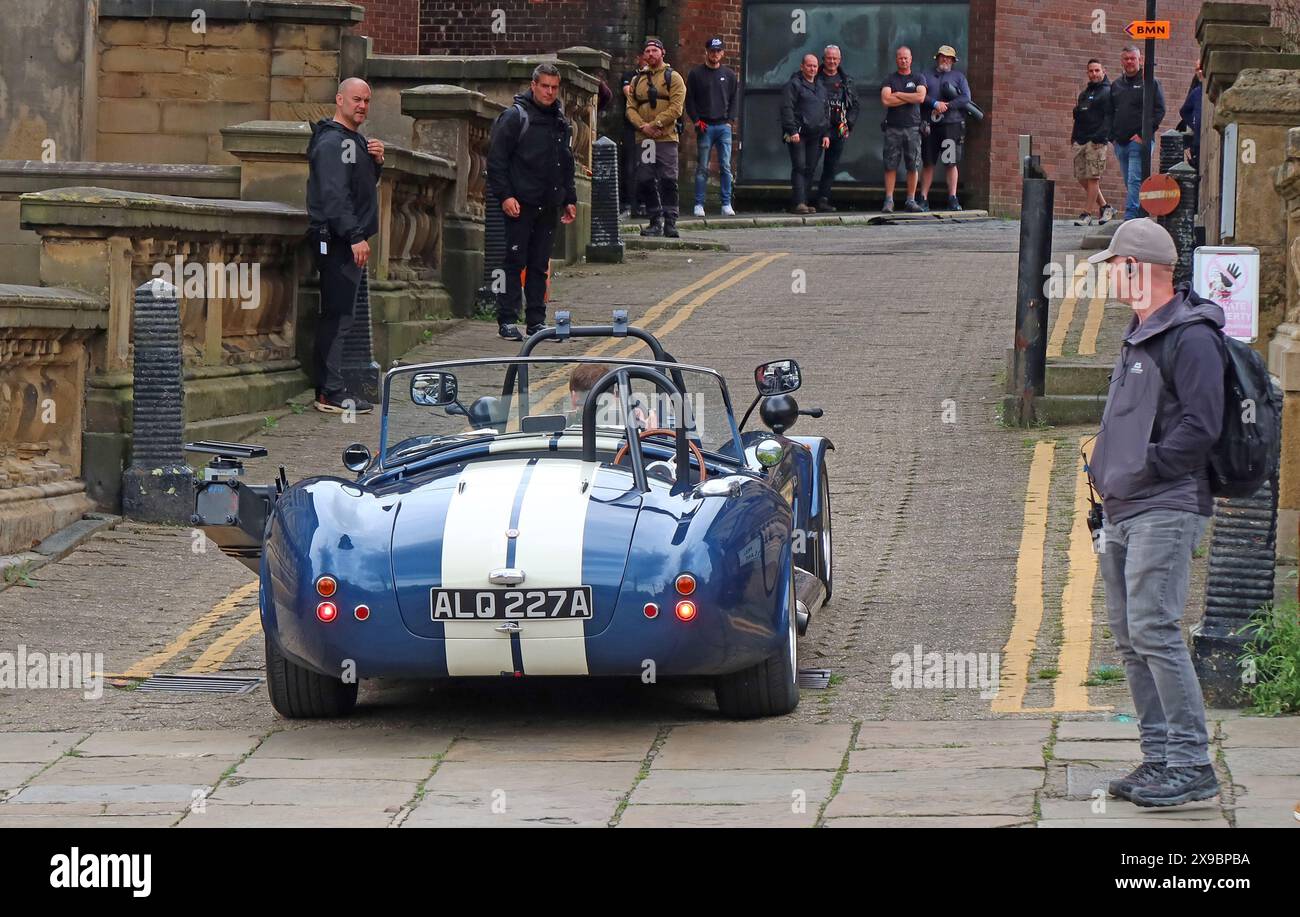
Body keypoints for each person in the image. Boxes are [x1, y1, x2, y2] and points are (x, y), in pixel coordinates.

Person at [1085, 218, 1225, 809]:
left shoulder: (1189, 337)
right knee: (1129, 636)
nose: (1110, 277)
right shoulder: (1139, 330)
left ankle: (1193, 764)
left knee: (1155, 629)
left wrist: (1144, 467)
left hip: (1165, 507)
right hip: (1123, 508)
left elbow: (1202, 426)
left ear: (1139, 269)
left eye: (1115, 266)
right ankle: (1161, 756)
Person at [306, 77, 384, 414]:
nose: (362, 106)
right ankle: (329, 392)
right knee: (336, 317)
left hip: (346, 240)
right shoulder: (332, 143)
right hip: (337, 242)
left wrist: (375, 164)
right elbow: (334, 196)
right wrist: (354, 236)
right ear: (339, 99)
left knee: (343, 316)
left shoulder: (353, 140)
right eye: (356, 99)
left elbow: (357, 188)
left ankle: (333, 387)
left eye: (366, 101)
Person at [486, 63, 578, 342]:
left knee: (539, 264)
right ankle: (507, 319)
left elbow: (566, 162)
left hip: (548, 202)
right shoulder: (515, 117)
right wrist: (505, 196)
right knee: (514, 262)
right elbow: (496, 160)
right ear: (533, 85)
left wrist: (569, 198)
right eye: (545, 86)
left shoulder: (560, 120)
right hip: (520, 202)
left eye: (554, 87)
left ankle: (536, 321)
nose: (549, 92)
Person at [626, 38, 687, 238]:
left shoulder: (673, 77)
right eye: (647, 51)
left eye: (654, 50)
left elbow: (676, 108)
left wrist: (656, 124)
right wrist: (644, 126)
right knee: (646, 178)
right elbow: (630, 108)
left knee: (669, 179)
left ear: (662, 52)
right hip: (644, 139)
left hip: (666, 137)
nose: (650, 54)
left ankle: (671, 221)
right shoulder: (637, 80)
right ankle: (655, 221)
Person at [1110, 45, 1166, 221]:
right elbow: (1110, 111)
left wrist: (1144, 134)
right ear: (1122, 61)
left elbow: (1159, 110)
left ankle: (1131, 218)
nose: (1129, 62)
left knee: (1134, 181)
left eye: (1132, 58)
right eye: (1126, 59)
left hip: (1139, 142)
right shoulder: (1116, 85)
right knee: (1130, 182)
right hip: (1120, 143)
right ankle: (1140, 215)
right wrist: (1112, 137)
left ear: (1140, 60)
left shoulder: (1150, 83)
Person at [686, 37, 739, 217]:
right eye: (712, 51)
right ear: (706, 52)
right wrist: (695, 120)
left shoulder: (730, 75)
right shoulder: (696, 74)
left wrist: (730, 120)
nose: (715, 54)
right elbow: (690, 100)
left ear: (722, 53)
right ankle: (699, 203)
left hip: (723, 125)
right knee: (702, 167)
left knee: (725, 166)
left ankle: (726, 203)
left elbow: (734, 99)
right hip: (705, 125)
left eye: (718, 51)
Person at [918, 45, 971, 212]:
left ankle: (952, 198)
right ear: (937, 57)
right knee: (928, 162)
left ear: (953, 61)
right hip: (930, 126)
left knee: (950, 162)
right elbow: (920, 95)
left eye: (949, 58)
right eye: (942, 56)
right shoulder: (925, 74)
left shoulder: (959, 77)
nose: (945, 60)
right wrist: (934, 103)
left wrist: (947, 105)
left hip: (951, 125)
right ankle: (923, 199)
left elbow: (966, 98)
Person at [781, 53, 830, 215]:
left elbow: (826, 111)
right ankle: (798, 203)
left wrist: (826, 134)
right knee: (799, 166)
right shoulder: (793, 85)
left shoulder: (821, 87)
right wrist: (792, 130)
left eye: (815, 66)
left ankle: (805, 202)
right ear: (802, 66)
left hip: (816, 135)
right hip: (798, 134)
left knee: (810, 168)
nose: (812, 68)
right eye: (809, 65)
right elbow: (787, 108)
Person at [880, 46, 926, 214]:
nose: (903, 60)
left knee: (913, 165)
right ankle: (889, 200)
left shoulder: (919, 77)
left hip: (913, 128)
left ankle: (911, 200)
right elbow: (886, 100)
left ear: (911, 59)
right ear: (896, 59)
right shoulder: (889, 79)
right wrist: (909, 97)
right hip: (892, 127)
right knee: (890, 165)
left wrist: (898, 94)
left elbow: (920, 97)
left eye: (906, 58)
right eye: (900, 58)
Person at [814, 45, 859, 212]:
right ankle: (802, 200)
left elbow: (855, 105)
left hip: (838, 130)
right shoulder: (815, 78)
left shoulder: (846, 81)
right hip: (818, 130)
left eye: (835, 58)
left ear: (839, 60)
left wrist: (848, 124)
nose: (832, 61)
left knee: (831, 167)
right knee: (810, 165)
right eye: (829, 58)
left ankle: (823, 200)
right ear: (823, 59)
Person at [1071, 59, 1116, 226]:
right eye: (1091, 71)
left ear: (1103, 71)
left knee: (1093, 177)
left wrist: (1101, 136)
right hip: (1081, 139)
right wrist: (1074, 138)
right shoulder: (1084, 94)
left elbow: (1109, 117)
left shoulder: (1108, 92)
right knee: (1081, 176)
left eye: (1097, 70)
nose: (1094, 74)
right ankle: (1105, 207)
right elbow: (1079, 118)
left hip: (1097, 141)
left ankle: (1087, 214)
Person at [620, 50, 647, 218]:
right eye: (644, 55)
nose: (647, 58)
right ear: (638, 58)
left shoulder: (661, 76)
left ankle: (644, 203)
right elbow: (629, 93)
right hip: (632, 128)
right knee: (629, 167)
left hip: (650, 129)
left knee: (647, 167)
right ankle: (628, 203)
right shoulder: (630, 75)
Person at [1177, 63, 1203, 173]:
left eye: (1201, 68)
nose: (1200, 72)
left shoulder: (1202, 91)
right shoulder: (1196, 92)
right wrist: (1194, 124)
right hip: (1196, 142)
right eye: (1197, 69)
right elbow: (1184, 111)